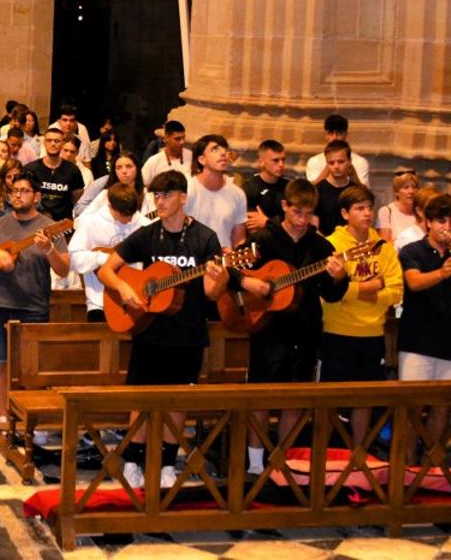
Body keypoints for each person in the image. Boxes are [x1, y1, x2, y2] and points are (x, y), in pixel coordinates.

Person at [97, 170, 230, 489]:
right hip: (149, 329)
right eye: (156, 196)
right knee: (140, 398)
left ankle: (168, 463)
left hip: (188, 332)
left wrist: (221, 277)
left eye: (167, 195)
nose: (161, 201)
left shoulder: (205, 237)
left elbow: (212, 293)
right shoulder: (147, 234)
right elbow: (106, 270)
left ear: (183, 197)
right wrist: (126, 290)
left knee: (178, 400)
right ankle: (132, 459)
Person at [240, 179, 340, 475]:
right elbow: (234, 269)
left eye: (308, 214)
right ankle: (256, 466)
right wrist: (251, 283)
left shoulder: (321, 246)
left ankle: (282, 463)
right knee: (261, 399)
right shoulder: (265, 240)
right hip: (267, 330)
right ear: (284, 206)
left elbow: (332, 294)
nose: (302, 220)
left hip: (305, 331)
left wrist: (338, 277)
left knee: (294, 401)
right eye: (297, 213)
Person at [0, 172, 57, 427]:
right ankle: (4, 415)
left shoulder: (48, 226)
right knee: (1, 362)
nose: (18, 195)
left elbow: (63, 269)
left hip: (34, 306)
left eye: (24, 191)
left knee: (31, 368)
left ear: (37, 196)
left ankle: (30, 421)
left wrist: (49, 250)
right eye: (15, 191)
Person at [319, 184, 403, 444]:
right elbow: (327, 294)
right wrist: (372, 286)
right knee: (330, 398)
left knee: (365, 397)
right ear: (345, 213)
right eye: (360, 208)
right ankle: (327, 453)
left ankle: (359, 451)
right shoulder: (331, 245)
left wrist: (351, 288)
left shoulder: (383, 247)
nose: (367, 213)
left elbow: (395, 291)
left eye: (369, 208)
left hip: (372, 332)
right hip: (337, 330)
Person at [397, 194, 451, 455]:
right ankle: (406, 469)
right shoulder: (412, 251)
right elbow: (414, 283)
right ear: (428, 222)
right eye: (441, 221)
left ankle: (431, 467)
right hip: (417, 341)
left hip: (448, 342)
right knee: (412, 408)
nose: (447, 227)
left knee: (443, 406)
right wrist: (442, 272)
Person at [69, 182, 147, 322]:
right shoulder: (90, 222)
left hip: (137, 299)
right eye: (122, 215)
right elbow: (74, 257)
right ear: (110, 206)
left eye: (131, 214)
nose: (128, 219)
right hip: (100, 303)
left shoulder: (144, 224)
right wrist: (103, 259)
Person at [184, 134, 248, 249]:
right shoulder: (186, 189)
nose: (223, 153)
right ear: (201, 159)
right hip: (191, 260)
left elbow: (239, 239)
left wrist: (235, 255)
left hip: (223, 262)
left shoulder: (238, 194)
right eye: (215, 149)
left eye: (225, 149)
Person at [22, 126, 85, 221]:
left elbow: (77, 198)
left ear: (62, 143)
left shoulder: (73, 170)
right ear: (44, 143)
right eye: (49, 140)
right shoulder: (31, 169)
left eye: (57, 141)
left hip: (63, 224)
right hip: (35, 222)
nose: (53, 144)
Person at [304, 114, 370, 185]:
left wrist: (353, 175)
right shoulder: (314, 161)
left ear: (346, 134)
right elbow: (312, 192)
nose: (335, 137)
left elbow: (365, 194)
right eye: (331, 133)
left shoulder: (360, 162)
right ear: (326, 135)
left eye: (339, 133)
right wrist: (328, 167)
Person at [75, 151, 145, 219]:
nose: (124, 171)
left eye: (129, 166)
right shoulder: (105, 190)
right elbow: (81, 211)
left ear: (137, 168)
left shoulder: (146, 193)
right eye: (119, 167)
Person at [313, 139, 357, 235]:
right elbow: (314, 227)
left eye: (341, 162)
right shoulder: (317, 190)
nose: (336, 166)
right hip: (325, 243)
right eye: (331, 163)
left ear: (349, 161)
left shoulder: (356, 191)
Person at [244, 139, 289, 234]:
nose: (281, 164)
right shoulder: (249, 188)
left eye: (283, 160)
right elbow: (253, 226)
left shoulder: (290, 188)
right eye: (275, 160)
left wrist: (267, 222)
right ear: (261, 162)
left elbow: (295, 223)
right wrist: (279, 223)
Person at [140, 120, 191, 184]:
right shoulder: (154, 161)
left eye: (183, 138)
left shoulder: (192, 156)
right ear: (166, 138)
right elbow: (144, 185)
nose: (182, 142)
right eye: (177, 139)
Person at [376, 169, 420, 243]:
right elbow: (386, 245)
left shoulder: (420, 212)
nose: (411, 191)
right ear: (396, 192)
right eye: (406, 187)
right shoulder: (386, 211)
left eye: (414, 187)